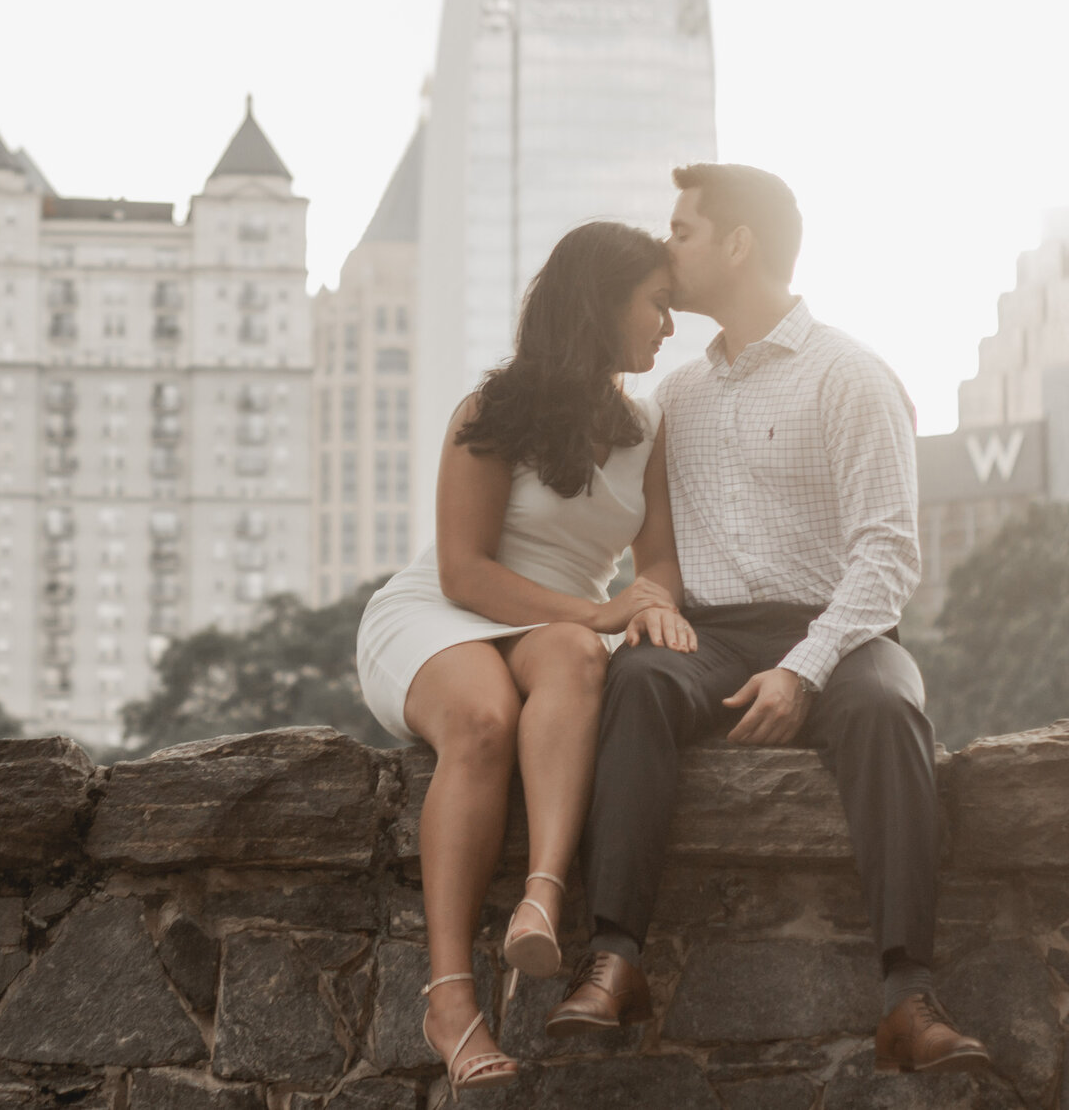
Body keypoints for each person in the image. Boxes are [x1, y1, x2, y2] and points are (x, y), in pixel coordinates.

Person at [546, 164, 991, 1074]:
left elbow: (888, 558)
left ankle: (908, 994)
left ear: (738, 244)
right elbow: (649, 546)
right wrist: (654, 606)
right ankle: (615, 958)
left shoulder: (852, 375)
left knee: (887, 711)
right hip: (710, 634)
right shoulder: (672, 398)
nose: (665, 247)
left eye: (682, 231)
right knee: (634, 677)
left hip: (844, 626)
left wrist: (806, 666)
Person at [355, 221, 696, 1102]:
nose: (669, 325)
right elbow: (466, 569)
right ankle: (451, 1003)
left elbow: (657, 559)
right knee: (479, 721)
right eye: (658, 303)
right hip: (446, 610)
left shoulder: (648, 426)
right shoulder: (489, 411)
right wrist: (599, 609)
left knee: (582, 659)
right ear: (600, 300)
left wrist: (649, 603)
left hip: (554, 626)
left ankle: (540, 899)